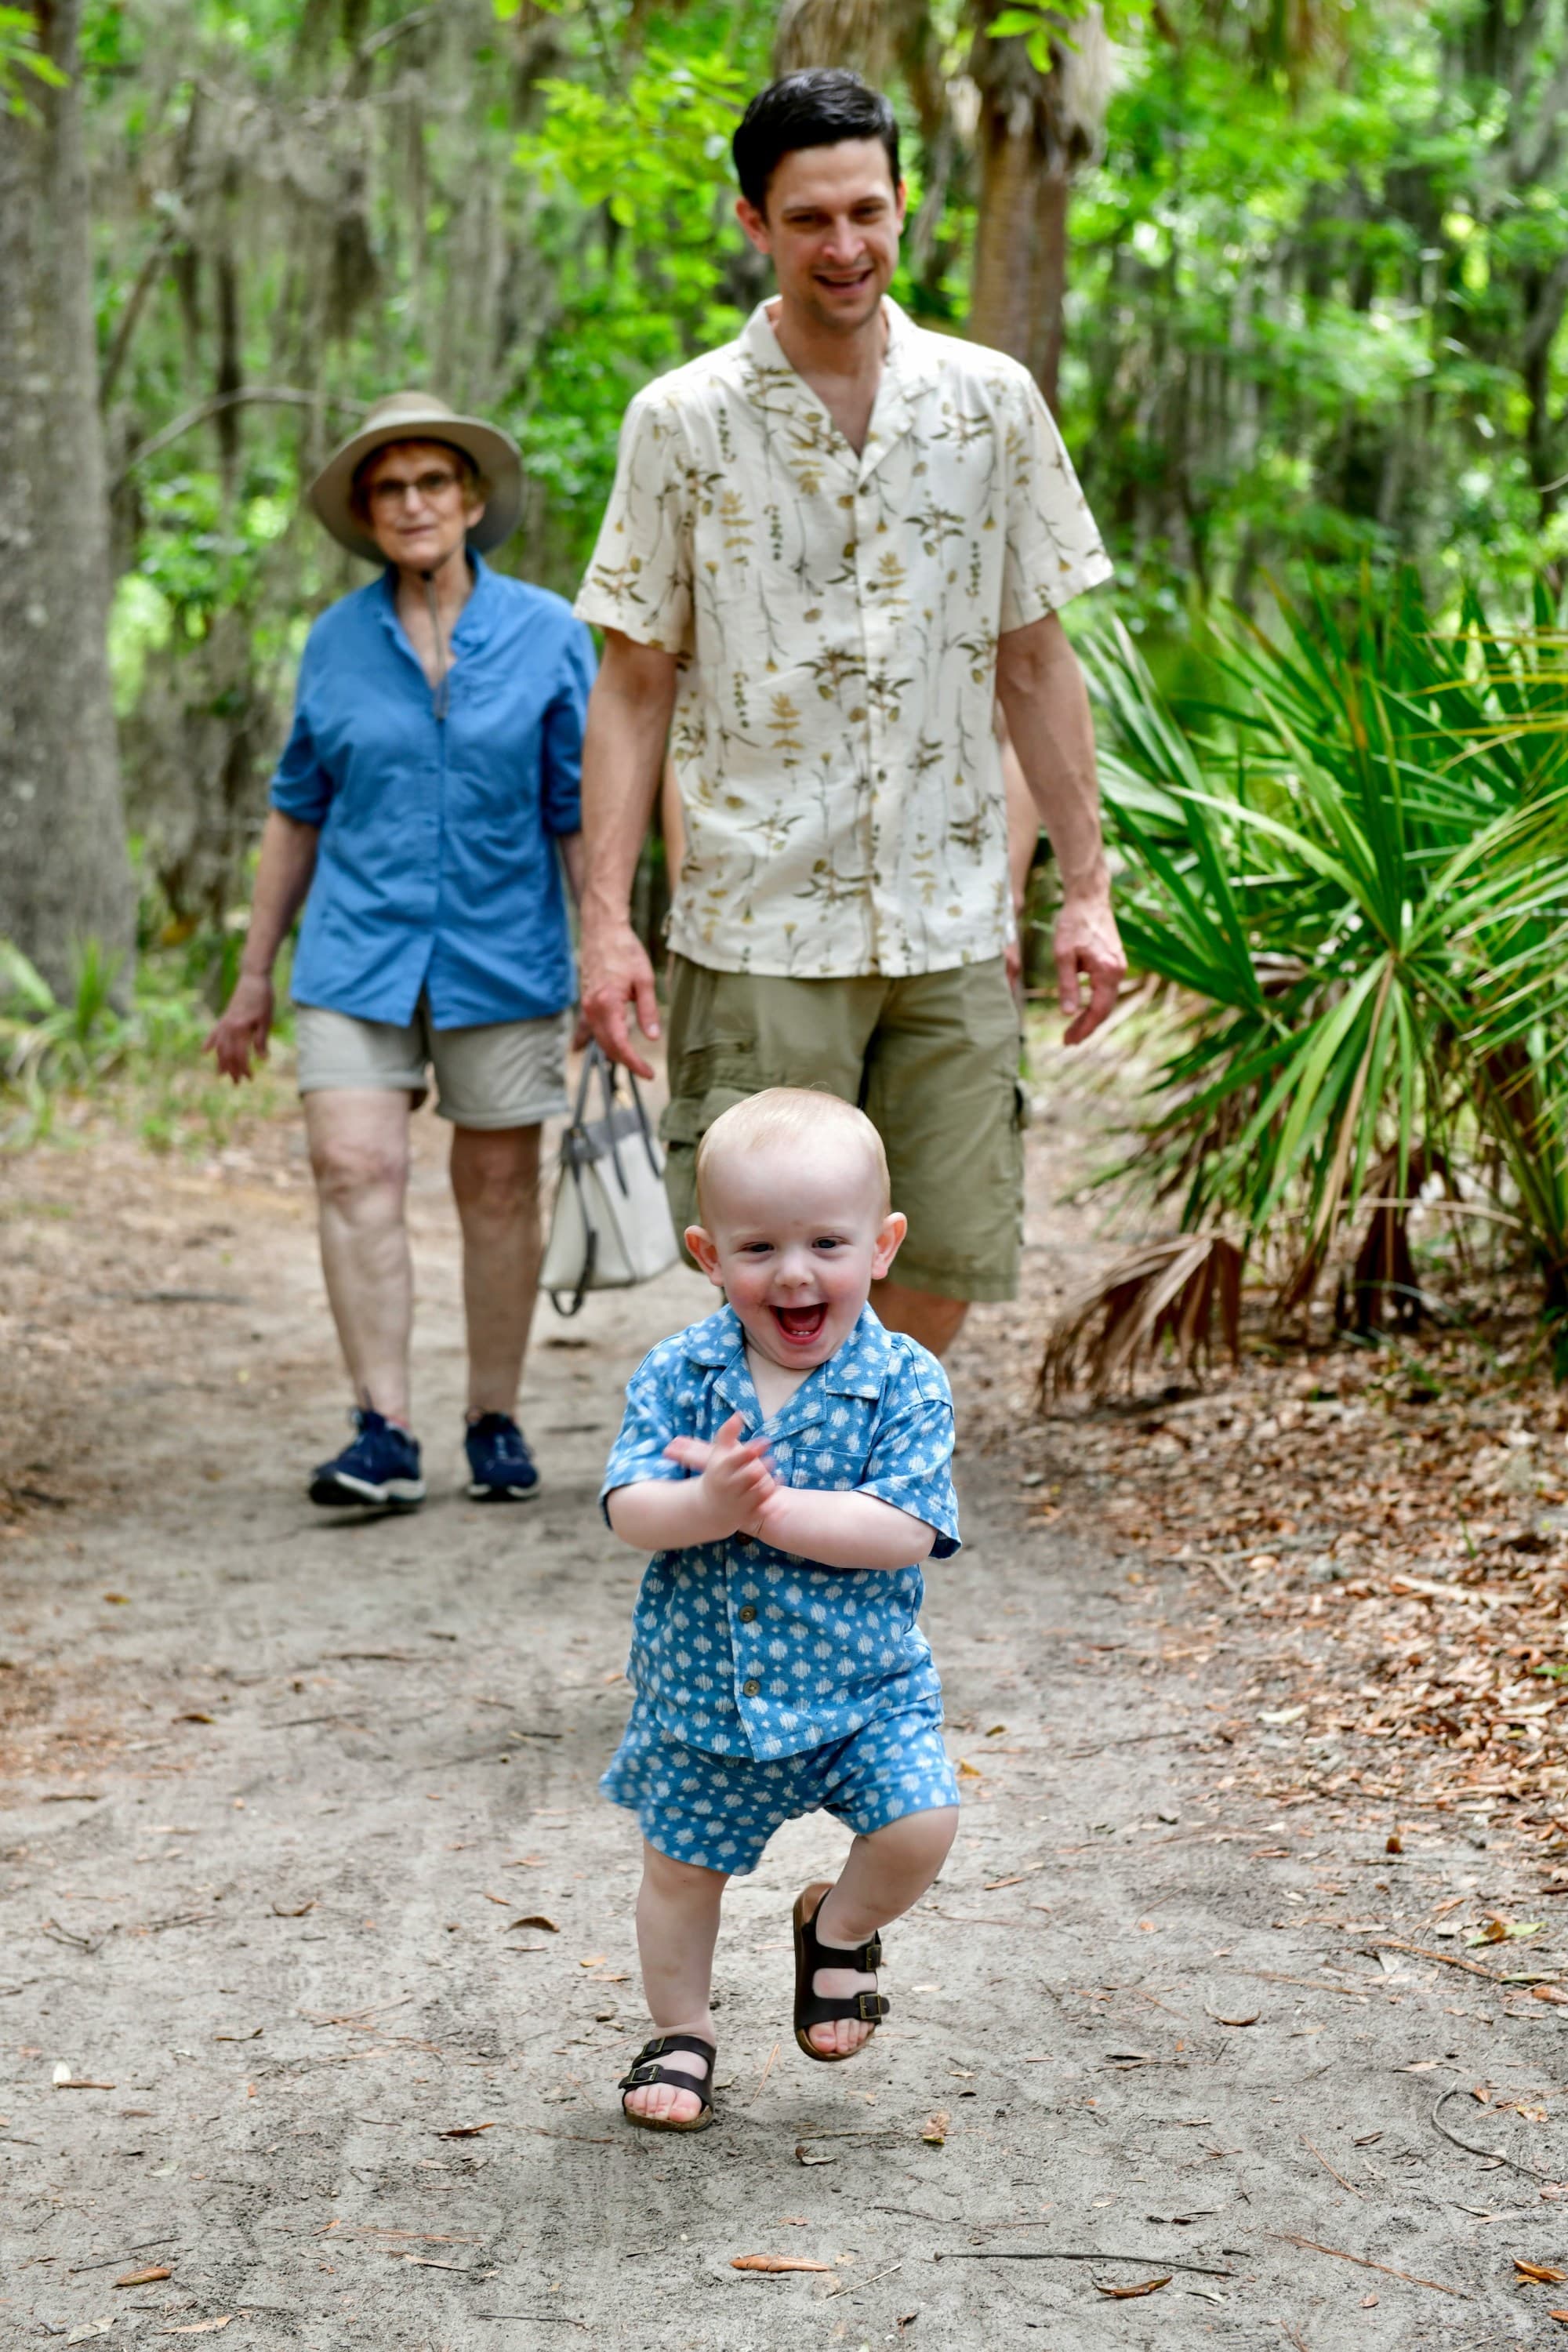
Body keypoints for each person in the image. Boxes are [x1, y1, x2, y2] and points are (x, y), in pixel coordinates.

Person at [574, 68, 1126, 1361]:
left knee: (949, 1242)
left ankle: (862, 1485)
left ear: (901, 207)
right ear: (753, 223)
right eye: (810, 218)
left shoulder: (990, 404)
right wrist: (606, 926)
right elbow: (634, 684)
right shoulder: (683, 421)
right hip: (758, 920)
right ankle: (798, 1507)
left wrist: (1085, 890)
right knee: (773, 1263)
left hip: (949, 914)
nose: (846, 246)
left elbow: (1036, 664)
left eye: (867, 212)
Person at [205, 391, 593, 1510]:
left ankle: (495, 1417)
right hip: (354, 952)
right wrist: (250, 978)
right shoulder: (335, 642)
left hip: (504, 950)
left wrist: (610, 951)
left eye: (434, 483)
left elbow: (575, 809)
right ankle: (382, 1427)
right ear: (367, 514)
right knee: (353, 1167)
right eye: (390, 488)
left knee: (499, 1185)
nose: (414, 503)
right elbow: (295, 811)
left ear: (471, 501)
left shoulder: (549, 634)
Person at [598, 1088, 961, 2131]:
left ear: (882, 1247)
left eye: (827, 1243)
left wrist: (764, 1513)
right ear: (709, 1256)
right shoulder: (680, 1371)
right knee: (680, 1874)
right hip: (709, 1693)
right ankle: (681, 2030)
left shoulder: (904, 1379)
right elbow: (629, 1509)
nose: (795, 1272)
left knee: (922, 1822)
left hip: (863, 1692)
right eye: (758, 1247)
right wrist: (705, 1504)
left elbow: (902, 1526)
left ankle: (839, 1930)